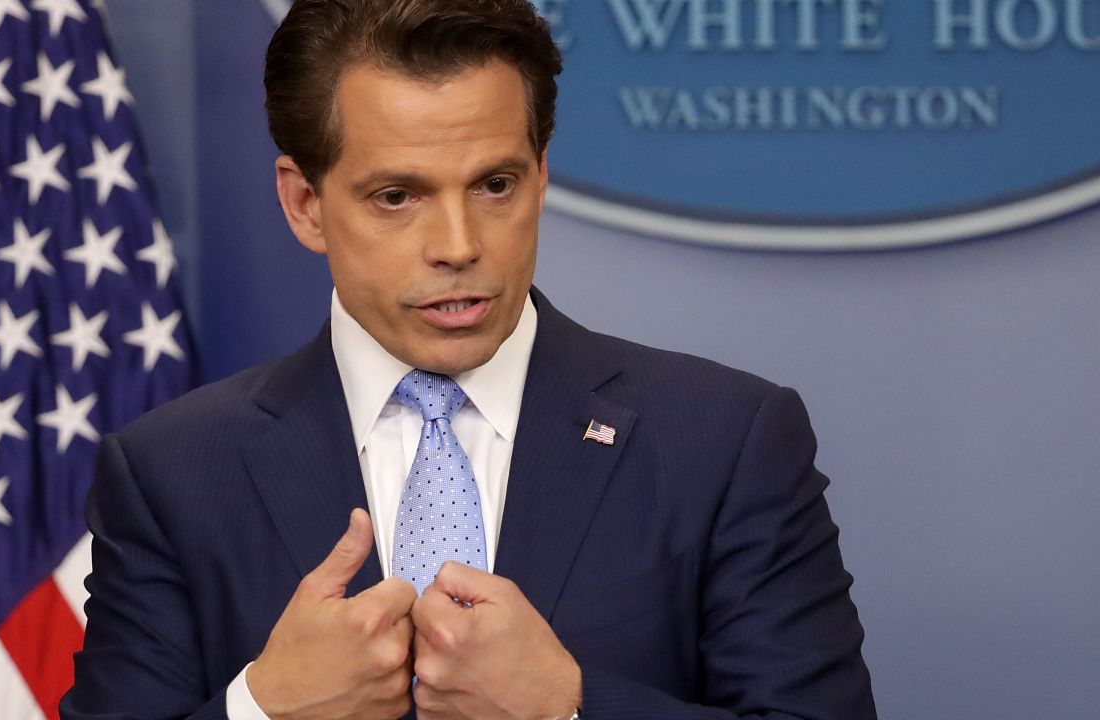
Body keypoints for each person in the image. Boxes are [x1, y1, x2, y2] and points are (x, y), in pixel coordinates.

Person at [61, 1, 878, 718]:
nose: (459, 247)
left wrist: (567, 710)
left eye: (494, 184)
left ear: (542, 175)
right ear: (305, 204)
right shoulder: (174, 474)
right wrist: (264, 712)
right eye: (397, 196)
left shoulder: (726, 442)